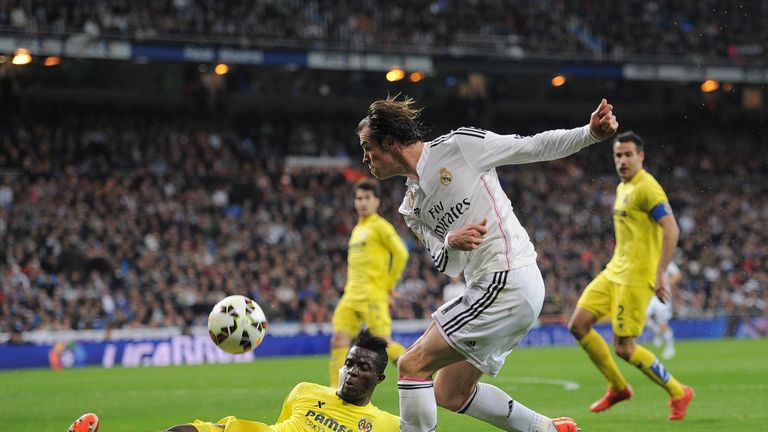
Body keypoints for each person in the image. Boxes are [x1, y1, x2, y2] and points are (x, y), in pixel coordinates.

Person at [357, 94, 619, 432]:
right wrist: (452, 241)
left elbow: (532, 146)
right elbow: (447, 264)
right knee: (450, 391)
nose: (364, 157)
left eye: (367, 147)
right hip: (496, 289)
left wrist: (590, 133)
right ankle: (549, 430)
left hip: (508, 278)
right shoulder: (411, 206)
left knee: (411, 364)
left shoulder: (459, 146)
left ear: (390, 142)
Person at [567, 131, 694, 421]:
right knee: (578, 325)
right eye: (618, 155)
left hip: (636, 279)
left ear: (641, 156)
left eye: (628, 155)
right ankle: (618, 387)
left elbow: (671, 228)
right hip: (613, 272)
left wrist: (660, 274)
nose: (622, 160)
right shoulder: (623, 187)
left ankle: (678, 391)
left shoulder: (648, 188)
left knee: (625, 348)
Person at [67, 330, 399, 432]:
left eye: (363, 368)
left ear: (380, 378)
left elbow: (429, 418)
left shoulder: (383, 423)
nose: (353, 371)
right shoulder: (305, 390)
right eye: (350, 363)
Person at [329, 178, 410, 387]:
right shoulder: (357, 229)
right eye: (359, 198)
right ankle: (334, 391)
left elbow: (401, 253)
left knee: (382, 344)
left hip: (373, 295)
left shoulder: (380, 226)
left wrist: (388, 286)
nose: (362, 202)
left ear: (377, 202)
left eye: (367, 198)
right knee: (338, 340)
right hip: (350, 296)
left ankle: (417, 368)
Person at [646, 260, 682, 359]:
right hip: (648, 295)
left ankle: (670, 348)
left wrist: (666, 281)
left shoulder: (665, 260)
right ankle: (658, 333)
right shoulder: (647, 258)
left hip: (662, 295)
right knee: (642, 318)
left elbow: (677, 275)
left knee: (662, 324)